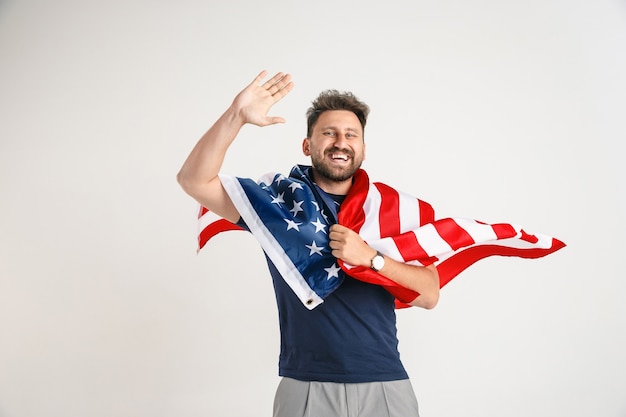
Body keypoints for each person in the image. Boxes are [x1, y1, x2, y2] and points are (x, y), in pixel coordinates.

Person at [177, 70, 441, 417]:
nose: (340, 142)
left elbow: (429, 293)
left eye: (351, 134)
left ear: (362, 148)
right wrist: (235, 117)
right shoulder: (275, 206)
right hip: (306, 388)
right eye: (328, 133)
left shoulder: (389, 211)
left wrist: (371, 257)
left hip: (385, 385)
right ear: (307, 145)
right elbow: (194, 180)